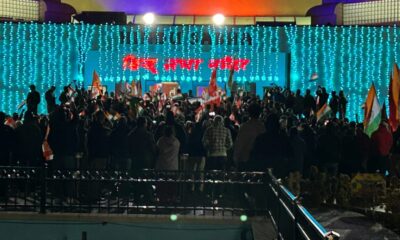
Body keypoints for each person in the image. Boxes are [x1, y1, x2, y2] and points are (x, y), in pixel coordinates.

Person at [233, 103, 265, 171]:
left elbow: (239, 144)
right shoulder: (263, 127)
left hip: (245, 160)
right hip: (260, 161)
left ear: (249, 113)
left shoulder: (245, 127)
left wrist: (236, 159)